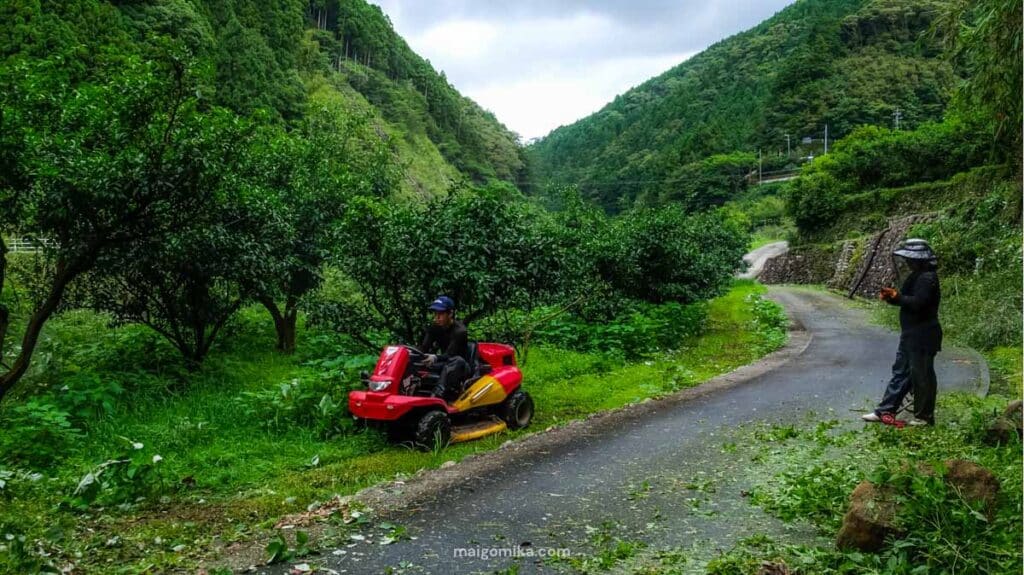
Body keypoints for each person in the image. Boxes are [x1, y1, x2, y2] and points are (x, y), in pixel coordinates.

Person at [862, 239, 942, 426]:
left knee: (922, 376)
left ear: (921, 260)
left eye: (911, 259)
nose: (907, 262)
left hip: (924, 336)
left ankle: (924, 416)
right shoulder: (916, 276)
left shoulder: (927, 277)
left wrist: (898, 297)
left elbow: (919, 303)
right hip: (911, 334)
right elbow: (907, 300)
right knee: (901, 373)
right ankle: (885, 410)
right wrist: (893, 298)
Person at [418, 295, 470, 401]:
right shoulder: (434, 328)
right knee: (416, 360)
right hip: (444, 363)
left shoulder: (460, 331)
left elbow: (451, 355)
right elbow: (423, 348)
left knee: (456, 360)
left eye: (440, 314)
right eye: (435, 314)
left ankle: (437, 395)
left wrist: (435, 357)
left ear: (450, 314)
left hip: (460, 367)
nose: (437, 318)